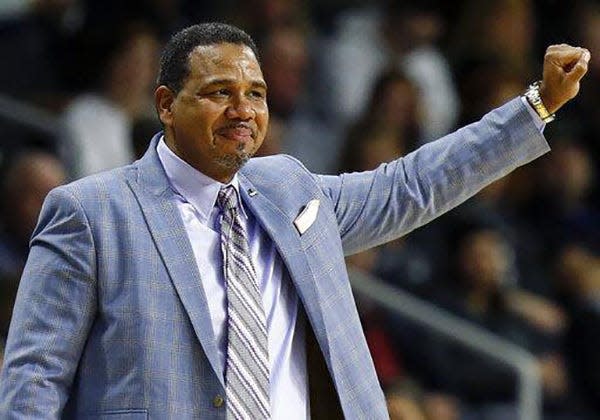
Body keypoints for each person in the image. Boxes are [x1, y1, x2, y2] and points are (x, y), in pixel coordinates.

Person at [0, 22, 589, 419]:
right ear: (164, 105)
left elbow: (412, 184)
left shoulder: (290, 189)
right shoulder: (93, 212)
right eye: (219, 92)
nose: (243, 110)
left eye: (255, 93)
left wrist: (536, 105)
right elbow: (35, 375)